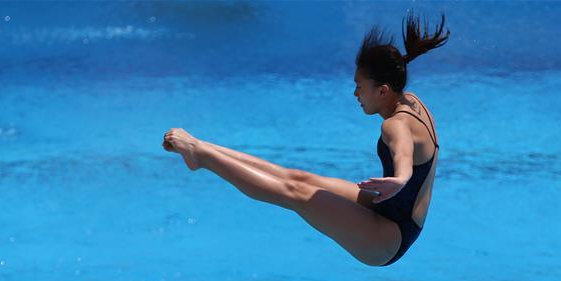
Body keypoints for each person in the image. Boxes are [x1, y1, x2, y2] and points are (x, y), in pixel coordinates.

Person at [163, 10, 450, 267]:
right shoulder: (413, 102)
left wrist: (399, 179)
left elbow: (402, 153)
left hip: (388, 237)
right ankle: (201, 148)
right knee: (298, 178)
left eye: (359, 87)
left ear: (383, 91)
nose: (355, 95)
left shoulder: (395, 125)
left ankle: (200, 154)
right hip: (392, 211)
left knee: (295, 193)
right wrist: (398, 183)